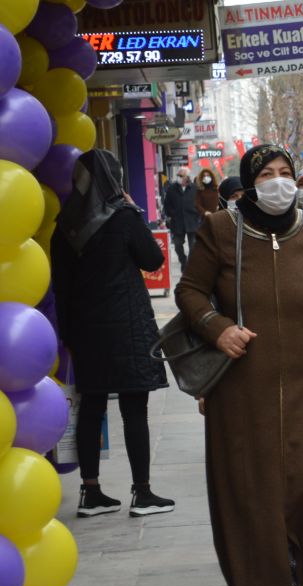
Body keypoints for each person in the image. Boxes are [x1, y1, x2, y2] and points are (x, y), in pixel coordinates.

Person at [176, 145, 303, 586]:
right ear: (250, 181)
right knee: (254, 493)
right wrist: (218, 328)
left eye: (286, 173)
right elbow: (189, 291)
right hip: (241, 387)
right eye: (268, 174)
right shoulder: (220, 228)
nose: (279, 182)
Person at [50, 149, 176, 518]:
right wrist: (135, 212)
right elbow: (152, 259)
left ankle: (91, 493)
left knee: (92, 405)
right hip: (127, 327)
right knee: (134, 407)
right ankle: (142, 493)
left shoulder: (66, 224)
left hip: (86, 330)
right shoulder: (122, 217)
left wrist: (70, 334)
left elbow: (62, 285)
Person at [162, 166, 200, 270]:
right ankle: (183, 261)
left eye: (181, 175)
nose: (178, 177)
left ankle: (191, 267)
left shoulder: (194, 188)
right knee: (178, 245)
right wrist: (170, 214)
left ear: (187, 177)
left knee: (194, 246)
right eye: (178, 175)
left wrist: (198, 214)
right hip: (177, 222)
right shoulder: (171, 188)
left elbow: (200, 204)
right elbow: (166, 204)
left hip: (192, 221)